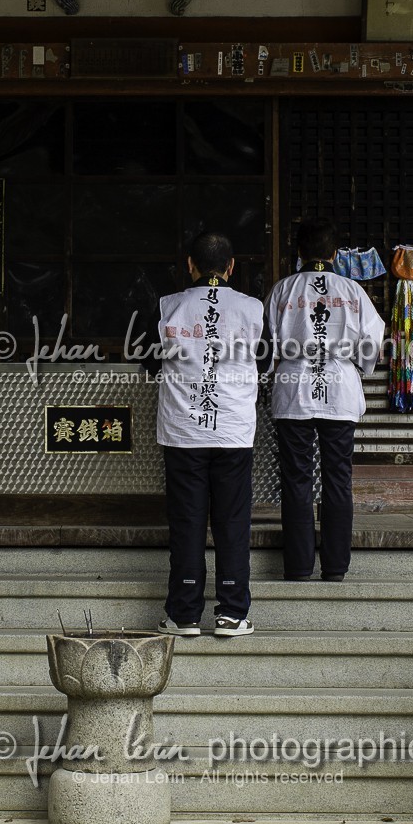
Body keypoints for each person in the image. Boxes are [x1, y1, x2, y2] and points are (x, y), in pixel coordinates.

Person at [152, 232, 265, 638]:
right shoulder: (253, 308)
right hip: (233, 431)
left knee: (187, 521)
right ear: (231, 267)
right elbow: (265, 361)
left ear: (190, 265)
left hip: (184, 432)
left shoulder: (169, 306)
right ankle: (232, 612)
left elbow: (149, 364)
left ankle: (183, 614)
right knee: (232, 521)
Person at [264, 218, 385, 582]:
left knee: (296, 479)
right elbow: (371, 345)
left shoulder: (283, 290)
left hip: (293, 388)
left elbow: (264, 347)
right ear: (334, 253)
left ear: (299, 252)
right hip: (340, 388)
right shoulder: (353, 291)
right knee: (338, 478)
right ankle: (335, 568)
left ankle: (299, 568)